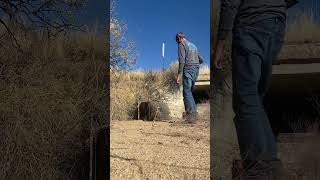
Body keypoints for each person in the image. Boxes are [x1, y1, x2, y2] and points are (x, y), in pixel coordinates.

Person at [214, 0, 299, 179]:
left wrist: (220, 43)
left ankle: (260, 170)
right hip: (276, 26)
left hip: (251, 23)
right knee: (255, 100)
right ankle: (271, 166)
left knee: (246, 99)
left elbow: (230, 2)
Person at [176, 32, 203, 124]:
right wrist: (195, 63)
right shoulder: (193, 45)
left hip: (188, 69)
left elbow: (182, 60)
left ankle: (191, 116)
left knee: (186, 92)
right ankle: (194, 114)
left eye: (177, 40)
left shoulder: (181, 44)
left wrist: (179, 74)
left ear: (179, 38)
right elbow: (201, 59)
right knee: (189, 92)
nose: (177, 42)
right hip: (196, 69)